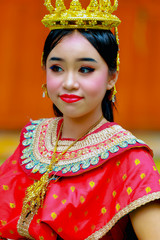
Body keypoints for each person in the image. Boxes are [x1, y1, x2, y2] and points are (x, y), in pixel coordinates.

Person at [0, 0, 160, 239]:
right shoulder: (33, 138)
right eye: (57, 68)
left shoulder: (131, 160)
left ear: (111, 77)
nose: (69, 82)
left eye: (85, 69)